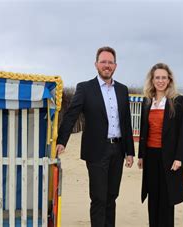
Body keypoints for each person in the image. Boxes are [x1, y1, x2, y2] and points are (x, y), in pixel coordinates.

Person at [56, 46, 135, 227]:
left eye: (110, 62)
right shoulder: (85, 88)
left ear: (115, 65)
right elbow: (71, 115)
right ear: (96, 64)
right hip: (96, 150)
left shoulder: (122, 90)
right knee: (99, 198)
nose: (107, 65)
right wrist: (62, 140)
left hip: (118, 150)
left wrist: (130, 151)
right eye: (103, 62)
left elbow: (126, 122)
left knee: (112, 197)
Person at [136, 63, 183, 227]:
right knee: (153, 198)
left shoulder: (176, 101)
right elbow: (145, 131)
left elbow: (182, 132)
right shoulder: (147, 101)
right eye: (157, 77)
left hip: (169, 158)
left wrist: (179, 158)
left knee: (166, 200)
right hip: (151, 156)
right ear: (152, 79)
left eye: (164, 77)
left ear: (169, 79)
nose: (160, 81)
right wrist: (141, 155)